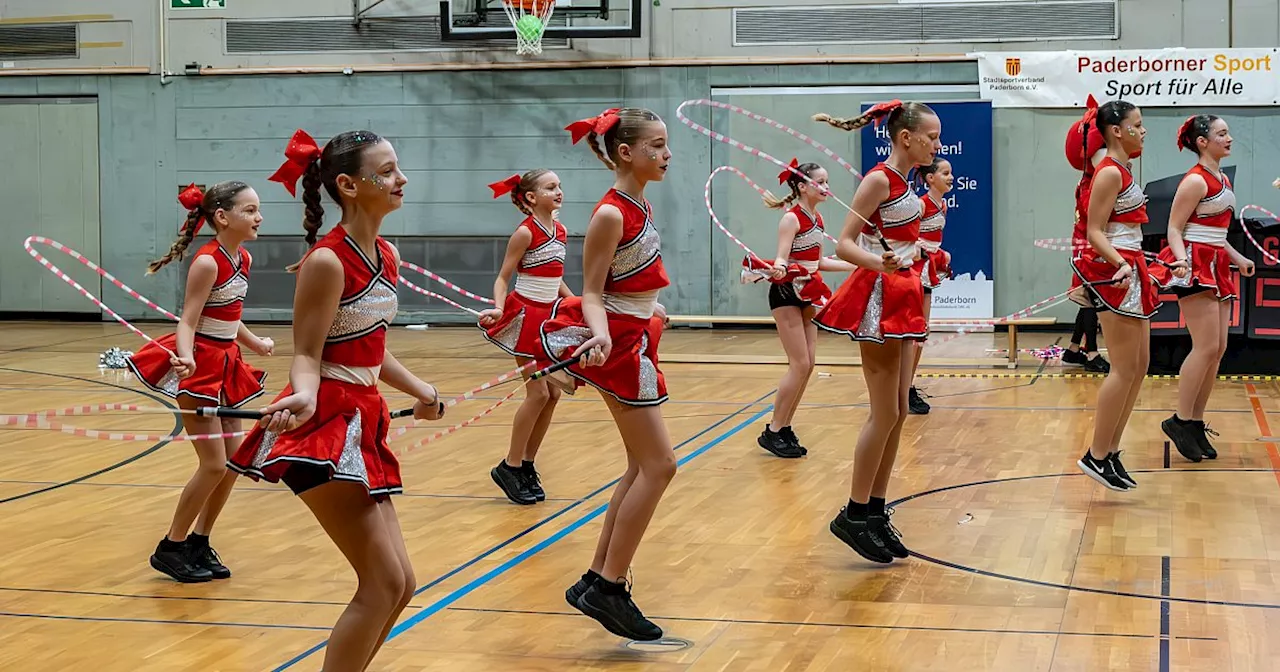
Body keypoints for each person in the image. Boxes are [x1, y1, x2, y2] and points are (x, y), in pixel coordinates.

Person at [227, 129, 445, 672]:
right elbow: (307, 353)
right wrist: (302, 393)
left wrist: (420, 390)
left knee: (402, 584)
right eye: (389, 170)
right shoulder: (326, 261)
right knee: (382, 582)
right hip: (321, 424)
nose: (402, 179)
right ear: (349, 185)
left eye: (398, 168)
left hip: (362, 415)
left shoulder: (386, 255)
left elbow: (369, 345)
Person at [539, 107, 673, 641]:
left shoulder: (639, 202)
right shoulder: (611, 213)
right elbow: (591, 290)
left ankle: (599, 578)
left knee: (641, 466)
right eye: (657, 146)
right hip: (616, 344)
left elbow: (629, 283)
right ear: (626, 152)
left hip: (635, 334)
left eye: (666, 146)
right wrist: (599, 331)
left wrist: (652, 309)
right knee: (660, 467)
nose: (666, 155)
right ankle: (609, 587)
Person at [810, 100, 940, 563]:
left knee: (900, 411)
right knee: (884, 413)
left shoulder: (907, 182)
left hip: (903, 290)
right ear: (906, 137)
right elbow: (845, 243)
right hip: (879, 297)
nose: (937, 145)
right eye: (932, 136)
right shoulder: (879, 179)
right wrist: (878, 260)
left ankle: (876, 511)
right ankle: (854, 511)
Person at [128, 181, 272, 583]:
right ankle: (171, 547)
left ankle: (198, 541)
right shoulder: (208, 261)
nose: (259, 217)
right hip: (201, 367)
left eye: (258, 209)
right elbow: (188, 319)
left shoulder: (241, 258)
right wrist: (187, 357)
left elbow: (228, 313)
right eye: (250, 210)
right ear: (222, 217)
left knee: (233, 463)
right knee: (212, 464)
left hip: (229, 363)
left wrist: (254, 342)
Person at [1150, 114, 1254, 461]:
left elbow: (1215, 234)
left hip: (1217, 264)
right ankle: (1179, 420)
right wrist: (1181, 260)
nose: (1230, 138)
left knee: (1218, 348)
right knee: (1206, 346)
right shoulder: (1194, 181)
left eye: (1228, 133)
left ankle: (1194, 421)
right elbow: (1175, 230)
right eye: (1222, 133)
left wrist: (1238, 257)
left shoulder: (1221, 178)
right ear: (1202, 142)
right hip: (1194, 266)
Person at [1069, 101, 1156, 492]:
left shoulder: (1122, 169)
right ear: (1116, 131)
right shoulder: (1107, 172)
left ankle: (1112, 449)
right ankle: (1096, 454)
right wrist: (1121, 261)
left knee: (1139, 365)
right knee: (1123, 368)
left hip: (1131, 266)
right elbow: (1095, 232)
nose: (1144, 130)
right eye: (1138, 124)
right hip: (1114, 272)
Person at [478, 169, 574, 504]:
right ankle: (510, 465)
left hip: (549, 317)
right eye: (551, 187)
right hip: (525, 318)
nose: (559, 191)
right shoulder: (524, 232)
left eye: (559, 186)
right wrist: (498, 307)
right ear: (531, 197)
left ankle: (526, 465)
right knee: (536, 393)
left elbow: (555, 279)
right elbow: (503, 278)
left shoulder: (560, 230)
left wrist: (576, 305)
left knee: (552, 395)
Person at [757, 159, 855, 457]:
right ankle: (772, 431)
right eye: (821, 182)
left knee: (809, 365)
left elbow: (819, 261)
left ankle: (784, 426)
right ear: (802, 186)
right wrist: (779, 267)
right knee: (799, 364)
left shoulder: (817, 219)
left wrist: (856, 265)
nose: (827, 188)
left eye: (827, 182)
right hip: (787, 291)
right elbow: (782, 258)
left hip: (809, 290)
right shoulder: (792, 218)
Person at [907, 157, 954, 414]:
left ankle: (907, 385)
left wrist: (941, 255)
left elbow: (931, 242)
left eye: (951, 173)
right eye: (945, 173)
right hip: (914, 271)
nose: (950, 177)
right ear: (930, 178)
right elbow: (909, 242)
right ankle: (904, 388)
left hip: (927, 271)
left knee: (922, 333)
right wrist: (930, 254)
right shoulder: (921, 205)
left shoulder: (942, 205)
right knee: (914, 332)